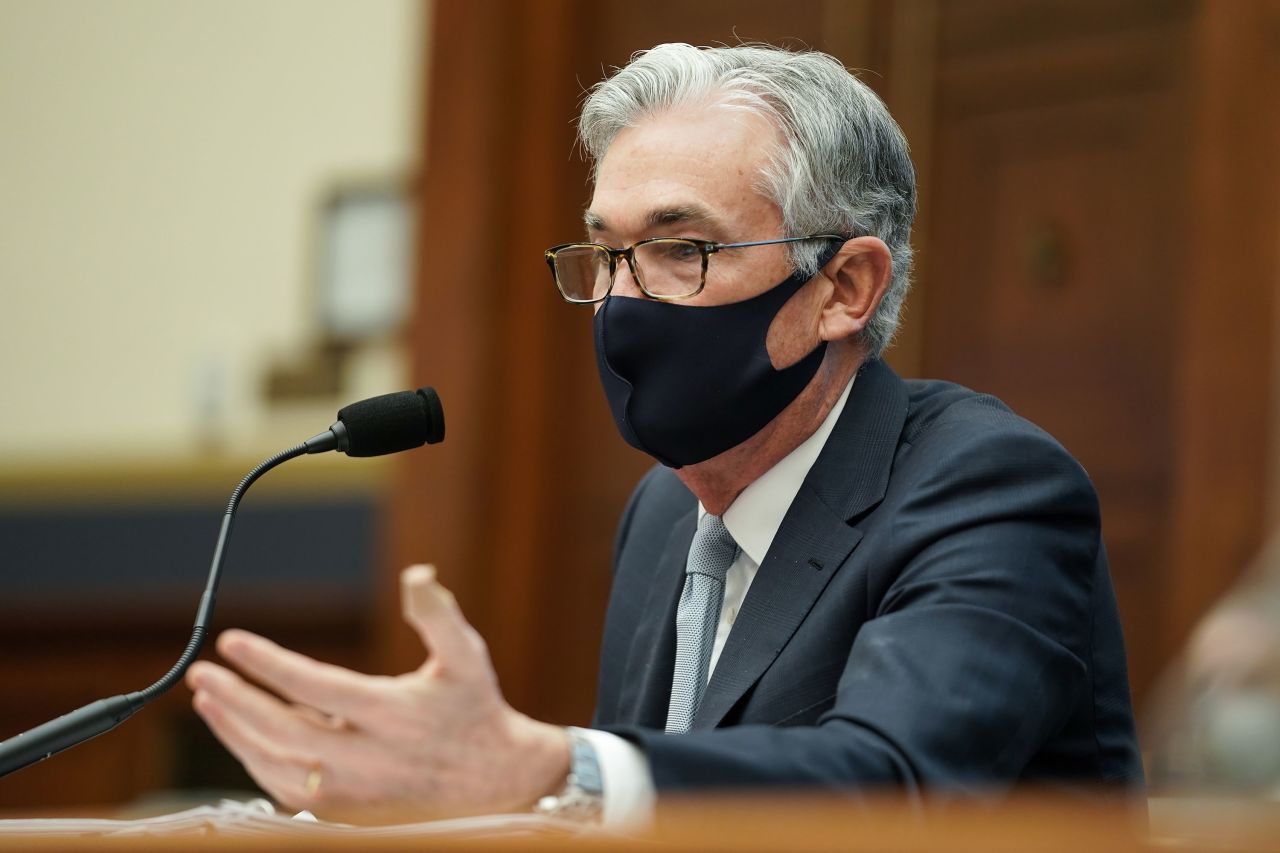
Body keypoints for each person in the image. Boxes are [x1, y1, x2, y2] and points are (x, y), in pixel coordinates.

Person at [186, 43, 1143, 826]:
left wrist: (556, 768)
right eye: (605, 253)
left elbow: (889, 783)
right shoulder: (664, 515)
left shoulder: (987, 484)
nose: (620, 302)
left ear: (844, 288)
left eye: (680, 250)